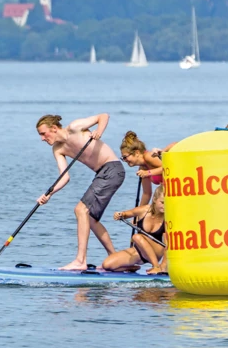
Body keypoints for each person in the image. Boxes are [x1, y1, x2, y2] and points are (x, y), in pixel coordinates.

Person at [36, 113, 125, 270]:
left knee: (80, 209)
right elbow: (64, 177)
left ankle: (80, 261)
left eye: (44, 134)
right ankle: (117, 260)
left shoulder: (75, 127)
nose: (42, 138)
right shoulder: (58, 149)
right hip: (103, 173)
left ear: (54, 128)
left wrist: (99, 131)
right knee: (89, 219)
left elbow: (103, 116)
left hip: (112, 168)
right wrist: (48, 194)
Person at [103, 185, 167, 275]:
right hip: (139, 251)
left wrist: (163, 266)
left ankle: (156, 266)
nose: (165, 206)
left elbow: (169, 246)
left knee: (137, 237)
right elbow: (126, 213)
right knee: (107, 265)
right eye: (162, 202)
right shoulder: (143, 210)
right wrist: (119, 214)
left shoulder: (168, 218)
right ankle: (132, 267)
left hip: (157, 251)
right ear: (154, 199)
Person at [119, 131, 163, 206]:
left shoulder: (148, 156)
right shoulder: (142, 168)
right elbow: (147, 193)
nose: (125, 160)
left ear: (137, 153)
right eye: (123, 158)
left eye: (125, 157)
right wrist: (138, 214)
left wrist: (148, 173)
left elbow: (168, 168)